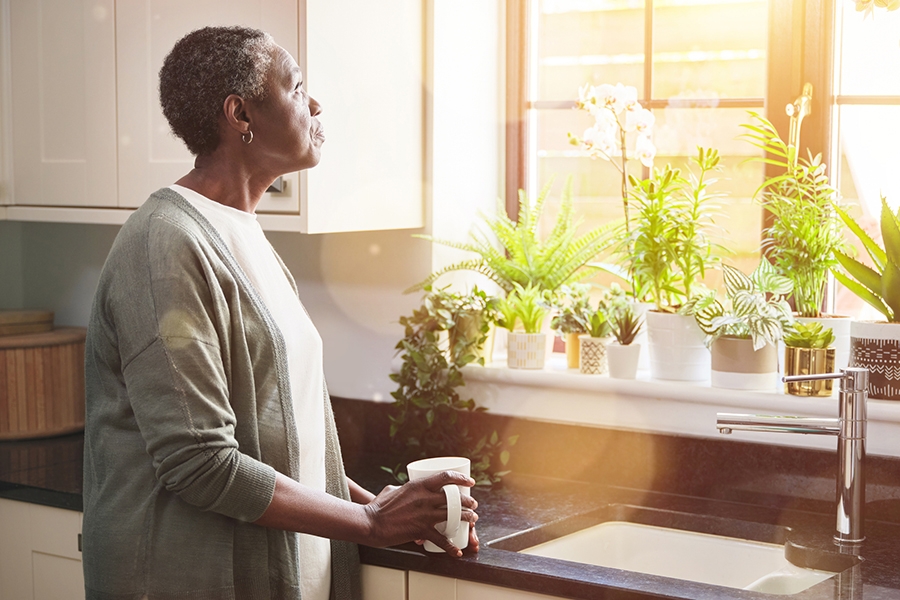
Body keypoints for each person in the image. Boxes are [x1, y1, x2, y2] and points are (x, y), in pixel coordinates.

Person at [82, 25, 478, 600]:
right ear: (240, 114)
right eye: (296, 87)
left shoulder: (245, 236)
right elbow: (198, 461)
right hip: (182, 578)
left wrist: (380, 504)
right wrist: (370, 525)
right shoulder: (164, 246)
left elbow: (281, 436)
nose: (314, 104)